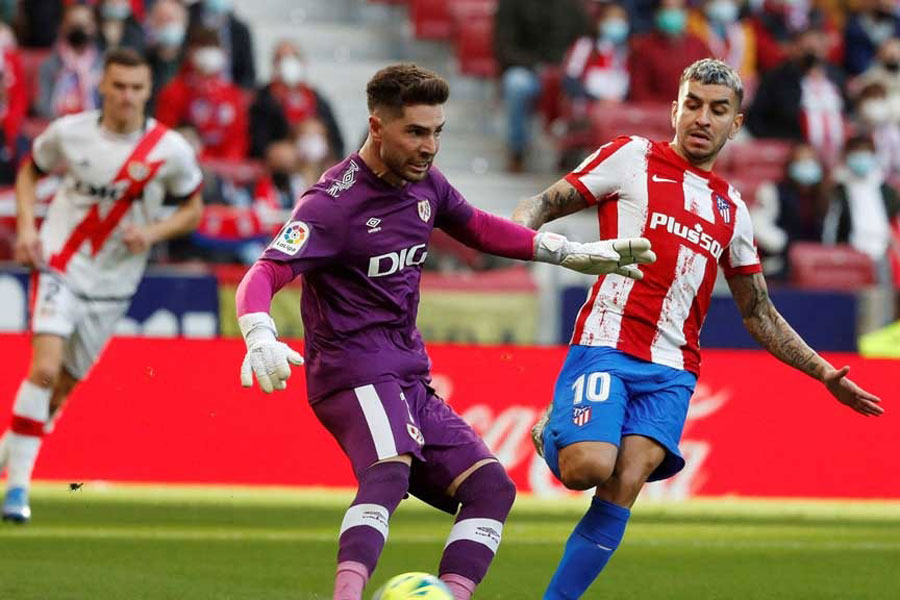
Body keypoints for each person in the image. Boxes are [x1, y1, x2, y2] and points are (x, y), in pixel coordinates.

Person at [234, 63, 656, 600]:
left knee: (491, 489)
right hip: (351, 371)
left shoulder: (426, 184)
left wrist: (568, 251)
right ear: (377, 126)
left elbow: (478, 227)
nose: (429, 147)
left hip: (408, 374)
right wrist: (259, 332)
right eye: (415, 132)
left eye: (437, 132)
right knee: (388, 472)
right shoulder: (331, 204)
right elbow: (266, 270)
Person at [512, 58, 884, 599]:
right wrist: (516, 236)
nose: (702, 118)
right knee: (587, 467)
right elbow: (543, 203)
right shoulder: (630, 157)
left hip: (673, 369)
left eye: (717, 110)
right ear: (675, 110)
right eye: (693, 105)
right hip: (608, 341)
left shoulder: (732, 210)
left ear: (736, 123)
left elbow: (759, 312)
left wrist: (823, 372)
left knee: (626, 481)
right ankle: (552, 431)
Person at [0, 48, 203, 523]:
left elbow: (192, 209)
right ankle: (18, 491)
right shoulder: (70, 133)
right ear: (103, 86)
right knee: (44, 369)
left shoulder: (169, 150)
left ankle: (9, 457)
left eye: (136, 87)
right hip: (60, 263)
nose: (126, 96)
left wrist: (152, 233)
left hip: (114, 282)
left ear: (147, 90)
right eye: (119, 86)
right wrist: (27, 229)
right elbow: (29, 172)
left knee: (59, 391)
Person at [493, 0, 588, 172]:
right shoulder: (511, 4)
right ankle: (517, 150)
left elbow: (583, 41)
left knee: (587, 86)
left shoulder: (572, 6)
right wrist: (537, 67)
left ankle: (571, 151)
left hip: (564, 71)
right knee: (516, 84)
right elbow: (504, 47)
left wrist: (564, 68)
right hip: (528, 68)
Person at [155, 27, 248, 160]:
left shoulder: (232, 93)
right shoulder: (174, 91)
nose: (208, 53)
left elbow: (238, 138)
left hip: (226, 166)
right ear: (190, 52)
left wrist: (229, 162)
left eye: (213, 47)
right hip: (186, 163)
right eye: (203, 47)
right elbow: (165, 133)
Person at [248, 41, 344, 160]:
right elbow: (258, 144)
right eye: (283, 58)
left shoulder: (316, 98)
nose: (289, 63)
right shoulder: (263, 99)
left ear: (303, 62)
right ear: (274, 64)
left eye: (294, 57)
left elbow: (337, 141)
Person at [628, 0, 711, 103]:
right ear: (657, 13)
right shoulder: (644, 49)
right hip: (656, 111)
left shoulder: (699, 45)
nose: (672, 13)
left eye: (677, 9)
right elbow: (639, 93)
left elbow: (709, 85)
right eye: (667, 9)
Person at [36, 3, 103, 119]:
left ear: (94, 27)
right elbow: (42, 105)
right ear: (62, 27)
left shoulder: (103, 65)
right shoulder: (49, 65)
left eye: (84, 26)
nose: (79, 31)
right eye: (74, 26)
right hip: (57, 123)